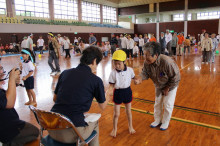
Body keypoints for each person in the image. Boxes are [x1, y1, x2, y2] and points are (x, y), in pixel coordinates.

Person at [49, 46, 111, 146]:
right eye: (97, 64)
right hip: (70, 134)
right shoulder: (95, 80)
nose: (96, 66)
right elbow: (102, 106)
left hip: (51, 128)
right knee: (94, 122)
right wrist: (109, 93)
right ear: (94, 61)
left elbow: (55, 99)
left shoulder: (65, 73)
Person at [134, 42, 180, 130]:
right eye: (144, 55)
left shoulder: (167, 62)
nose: (145, 57)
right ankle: (157, 120)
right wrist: (140, 78)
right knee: (157, 103)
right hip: (158, 85)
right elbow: (145, 73)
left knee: (167, 104)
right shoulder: (147, 62)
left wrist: (168, 88)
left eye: (147, 55)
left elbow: (176, 77)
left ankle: (165, 122)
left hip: (171, 85)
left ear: (155, 55)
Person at [0, 67, 39, 145]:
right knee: (35, 132)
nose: (2, 70)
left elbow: (4, 99)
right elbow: (8, 103)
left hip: (12, 125)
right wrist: (11, 80)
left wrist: (13, 84)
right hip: (9, 131)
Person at [108, 50, 136, 137]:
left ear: (125, 62)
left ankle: (130, 126)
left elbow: (134, 78)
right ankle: (114, 129)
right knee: (116, 113)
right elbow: (111, 85)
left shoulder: (130, 70)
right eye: (115, 63)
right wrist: (109, 91)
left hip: (127, 91)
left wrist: (137, 80)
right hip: (118, 93)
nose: (117, 66)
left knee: (129, 112)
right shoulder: (113, 73)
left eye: (119, 63)